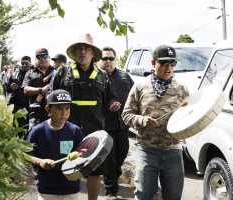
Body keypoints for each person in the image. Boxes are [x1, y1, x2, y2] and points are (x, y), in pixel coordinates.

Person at [53, 33, 120, 200]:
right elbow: (52, 96)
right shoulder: (63, 72)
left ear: (92, 53)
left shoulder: (102, 75)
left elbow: (110, 97)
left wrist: (112, 104)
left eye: (86, 49)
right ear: (75, 53)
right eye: (79, 49)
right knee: (66, 166)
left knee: (95, 171)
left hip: (94, 132)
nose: (82, 52)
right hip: (67, 131)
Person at [121, 44, 189, 200]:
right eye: (164, 63)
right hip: (147, 150)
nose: (169, 68)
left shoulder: (182, 89)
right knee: (144, 194)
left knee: (173, 196)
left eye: (172, 64)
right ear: (153, 63)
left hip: (173, 151)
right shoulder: (140, 87)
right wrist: (141, 119)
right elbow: (126, 114)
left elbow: (189, 117)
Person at [26, 89, 84, 200]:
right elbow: (26, 154)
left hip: (71, 189)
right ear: (48, 109)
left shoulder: (75, 131)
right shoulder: (38, 131)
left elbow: (83, 155)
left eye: (67, 108)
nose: (64, 113)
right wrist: (40, 162)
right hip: (47, 190)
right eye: (59, 108)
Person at [99, 47, 134, 200]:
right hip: (105, 125)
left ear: (115, 60)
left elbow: (135, 95)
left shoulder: (124, 76)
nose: (108, 61)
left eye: (111, 58)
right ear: (99, 60)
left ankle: (114, 177)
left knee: (122, 154)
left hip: (123, 124)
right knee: (109, 158)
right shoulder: (96, 77)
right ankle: (110, 191)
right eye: (105, 58)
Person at [22, 48, 54, 131]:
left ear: (49, 58)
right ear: (35, 59)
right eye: (39, 57)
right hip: (35, 115)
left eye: (45, 56)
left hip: (53, 115)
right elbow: (26, 90)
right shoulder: (30, 73)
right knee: (33, 142)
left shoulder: (56, 72)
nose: (42, 59)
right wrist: (40, 90)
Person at [7, 56, 32, 139]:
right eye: (22, 63)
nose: (24, 65)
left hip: (30, 106)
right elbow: (7, 89)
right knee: (17, 130)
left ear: (30, 64)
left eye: (26, 63)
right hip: (18, 107)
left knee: (28, 131)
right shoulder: (15, 74)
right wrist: (10, 87)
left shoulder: (34, 74)